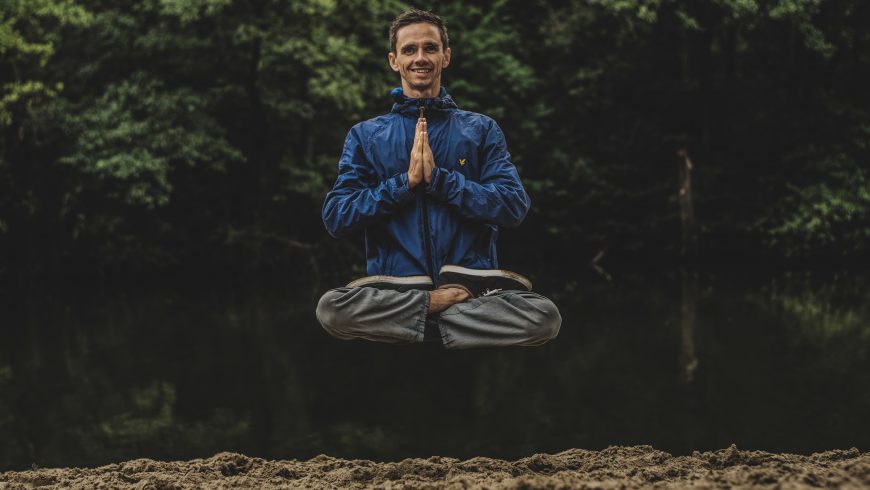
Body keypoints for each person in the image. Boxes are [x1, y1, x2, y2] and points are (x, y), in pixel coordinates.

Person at [315, 9, 561, 349]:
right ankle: (438, 309)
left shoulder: (481, 129)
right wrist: (405, 183)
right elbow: (337, 217)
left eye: (430, 48)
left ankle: (414, 322)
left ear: (446, 56)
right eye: (409, 49)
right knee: (331, 309)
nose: (420, 58)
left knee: (544, 318)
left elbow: (512, 206)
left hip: (470, 286)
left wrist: (441, 181)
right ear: (393, 60)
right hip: (397, 287)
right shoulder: (365, 136)